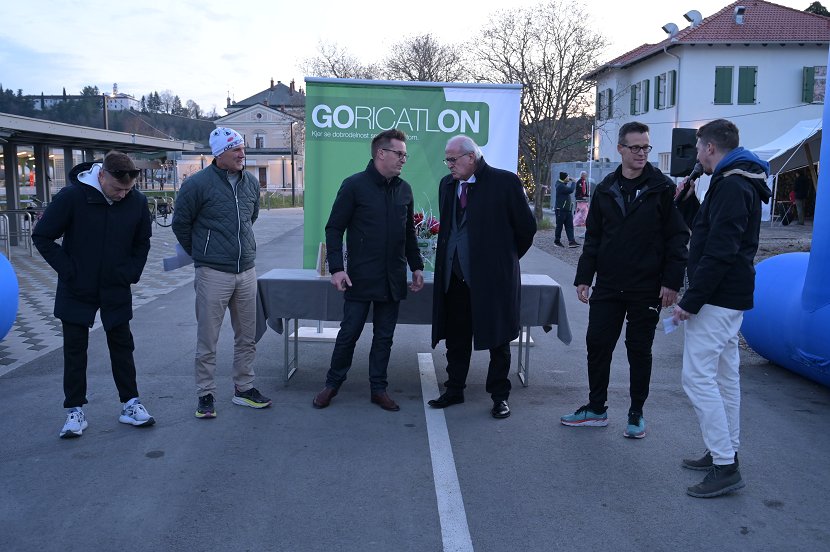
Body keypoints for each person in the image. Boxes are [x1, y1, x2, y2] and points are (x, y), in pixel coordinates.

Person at [562, 121, 689, 438]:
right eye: (635, 147)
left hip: (647, 286)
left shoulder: (662, 189)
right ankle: (596, 408)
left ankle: (636, 414)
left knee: (639, 350)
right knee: (597, 344)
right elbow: (594, 238)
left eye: (646, 147)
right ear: (620, 149)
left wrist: (672, 282)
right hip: (608, 285)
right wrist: (584, 277)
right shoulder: (606, 188)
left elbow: (677, 238)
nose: (642, 153)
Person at [672, 119, 771, 498]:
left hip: (717, 298)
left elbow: (721, 249)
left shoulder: (731, 184)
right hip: (729, 297)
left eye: (699, 148)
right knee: (725, 377)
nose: (696, 155)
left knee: (697, 378)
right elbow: (711, 231)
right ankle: (723, 451)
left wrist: (691, 300)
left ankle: (726, 465)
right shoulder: (735, 180)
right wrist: (689, 203)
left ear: (710, 148)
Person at [32, 151, 155, 438]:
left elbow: (142, 242)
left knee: (122, 346)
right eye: (117, 188)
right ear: (101, 176)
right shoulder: (73, 197)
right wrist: (69, 270)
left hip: (116, 285)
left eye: (127, 190)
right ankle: (74, 410)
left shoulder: (136, 201)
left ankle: (130, 403)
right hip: (77, 286)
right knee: (75, 349)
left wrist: (130, 273)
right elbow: (42, 236)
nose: (122, 195)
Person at [312, 129, 425, 411]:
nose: (404, 159)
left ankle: (379, 389)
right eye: (399, 154)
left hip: (393, 277)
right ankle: (332, 384)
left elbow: (409, 233)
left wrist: (417, 266)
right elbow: (334, 228)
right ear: (381, 154)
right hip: (360, 277)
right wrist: (337, 269)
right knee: (349, 334)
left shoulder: (405, 189)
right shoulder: (354, 186)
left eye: (405, 155)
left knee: (384, 338)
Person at [428, 135, 537, 419]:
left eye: (453, 159)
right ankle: (454, 389)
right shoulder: (447, 185)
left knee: (498, 339)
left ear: (471, 157)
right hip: (454, 278)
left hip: (492, 280)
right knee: (456, 337)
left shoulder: (505, 183)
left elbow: (526, 229)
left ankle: (500, 396)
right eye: (447, 159)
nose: (449, 164)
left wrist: (504, 261)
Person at [172, 127, 271, 419]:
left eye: (242, 148)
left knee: (247, 336)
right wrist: (203, 253)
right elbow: (181, 224)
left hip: (246, 270)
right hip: (212, 272)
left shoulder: (250, 183)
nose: (242, 154)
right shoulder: (197, 184)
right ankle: (205, 394)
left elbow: (251, 217)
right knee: (208, 338)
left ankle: (244, 388)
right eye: (236, 149)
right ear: (220, 154)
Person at [554, 172, 579, 248]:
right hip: (560, 210)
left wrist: (568, 180)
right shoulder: (560, 186)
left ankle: (571, 241)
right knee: (559, 226)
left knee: (569, 226)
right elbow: (571, 190)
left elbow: (566, 185)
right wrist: (574, 182)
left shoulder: (562, 184)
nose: (569, 178)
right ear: (564, 178)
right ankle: (557, 241)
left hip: (567, 209)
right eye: (568, 177)